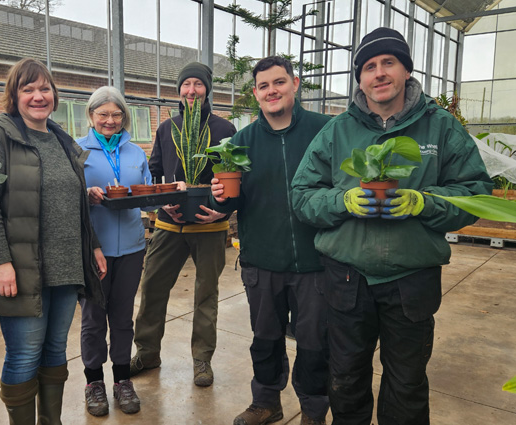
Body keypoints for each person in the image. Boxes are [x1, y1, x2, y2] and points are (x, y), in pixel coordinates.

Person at [290, 27, 492, 425]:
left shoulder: (440, 127)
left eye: (388, 63)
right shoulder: (337, 131)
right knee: (346, 378)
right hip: (347, 277)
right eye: (369, 67)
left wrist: (424, 202)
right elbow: (301, 194)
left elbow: (475, 191)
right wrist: (342, 200)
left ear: (405, 71)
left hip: (412, 278)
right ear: (360, 79)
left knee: (407, 382)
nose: (379, 73)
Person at [0, 58, 106, 425]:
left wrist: (91, 246)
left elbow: (75, 201)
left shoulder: (61, 140)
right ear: (14, 95)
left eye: (44, 88)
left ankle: (51, 420)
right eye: (28, 89)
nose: (38, 96)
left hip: (65, 265)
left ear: (54, 95)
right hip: (20, 267)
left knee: (55, 348)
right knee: (25, 353)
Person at [210, 56, 331, 425]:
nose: (272, 91)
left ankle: (313, 410)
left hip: (316, 262)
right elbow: (235, 200)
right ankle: (266, 402)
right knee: (264, 338)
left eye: (279, 82)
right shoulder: (241, 142)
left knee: (315, 343)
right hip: (262, 261)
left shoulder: (325, 131)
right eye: (264, 86)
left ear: (295, 84)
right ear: (255, 94)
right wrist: (221, 195)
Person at [130, 62, 237, 386]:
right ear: (179, 91)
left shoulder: (224, 130)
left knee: (206, 294)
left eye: (197, 84)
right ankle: (147, 352)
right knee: (151, 289)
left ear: (207, 89)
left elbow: (234, 178)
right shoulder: (167, 128)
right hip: (168, 224)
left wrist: (224, 210)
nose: (191, 90)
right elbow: (155, 172)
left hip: (210, 225)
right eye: (186, 85)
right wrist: (163, 203)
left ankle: (202, 358)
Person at [76, 86, 151, 417]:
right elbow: (65, 195)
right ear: (91, 116)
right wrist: (84, 193)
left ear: (124, 117)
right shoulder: (76, 151)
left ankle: (122, 380)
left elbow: (147, 191)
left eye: (116, 114)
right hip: (94, 248)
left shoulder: (136, 152)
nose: (110, 120)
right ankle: (94, 383)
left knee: (122, 317)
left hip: (133, 247)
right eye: (103, 114)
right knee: (93, 319)